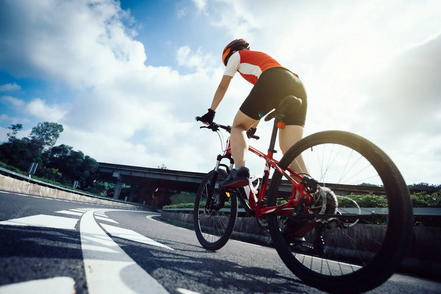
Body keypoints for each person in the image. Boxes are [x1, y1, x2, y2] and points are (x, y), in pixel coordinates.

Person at [198, 39, 308, 188]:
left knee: (238, 127)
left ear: (231, 53)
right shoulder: (260, 61)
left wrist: (211, 112)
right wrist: (253, 127)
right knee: (289, 149)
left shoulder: (237, 56)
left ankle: (240, 171)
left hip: (273, 79)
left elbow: (222, 87)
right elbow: (261, 107)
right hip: (297, 85)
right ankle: (312, 191)